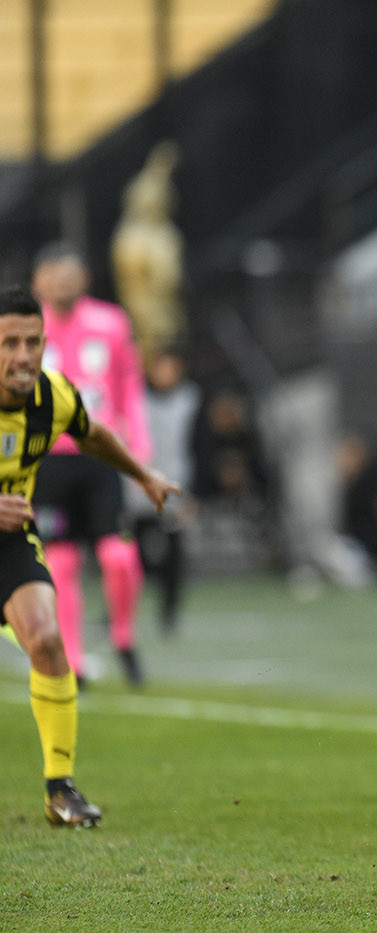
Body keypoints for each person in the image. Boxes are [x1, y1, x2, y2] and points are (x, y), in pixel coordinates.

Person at [0, 286, 180, 826]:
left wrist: (142, 475)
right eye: (9, 343)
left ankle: (60, 790)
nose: (24, 356)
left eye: (33, 342)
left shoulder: (52, 396)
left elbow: (92, 433)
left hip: (8, 541)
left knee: (47, 641)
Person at [30, 243, 151, 685]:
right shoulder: (24, 330)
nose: (62, 282)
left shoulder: (111, 323)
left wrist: (138, 441)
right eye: (52, 274)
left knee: (118, 554)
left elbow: (129, 383)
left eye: (69, 274)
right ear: (37, 282)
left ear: (84, 279)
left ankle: (123, 635)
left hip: (99, 455)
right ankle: (74, 661)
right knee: (60, 562)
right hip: (48, 463)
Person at [131, 347, 200, 635]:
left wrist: (195, 493)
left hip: (174, 488)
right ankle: (119, 612)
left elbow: (199, 447)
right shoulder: (135, 398)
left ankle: (169, 614)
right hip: (137, 489)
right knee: (131, 555)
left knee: (174, 555)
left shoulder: (190, 401)